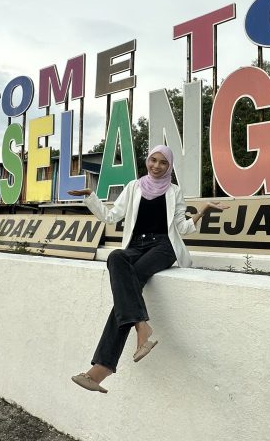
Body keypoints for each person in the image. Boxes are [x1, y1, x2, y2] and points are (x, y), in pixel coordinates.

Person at [68, 144, 228, 394]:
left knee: (130, 288)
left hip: (163, 247)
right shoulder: (133, 187)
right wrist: (91, 197)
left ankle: (100, 370)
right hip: (135, 245)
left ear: (169, 167)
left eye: (163, 163)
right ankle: (142, 326)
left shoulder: (174, 191)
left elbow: (182, 228)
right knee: (116, 258)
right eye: (153, 160)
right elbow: (111, 217)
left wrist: (204, 211)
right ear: (147, 161)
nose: (156, 166)